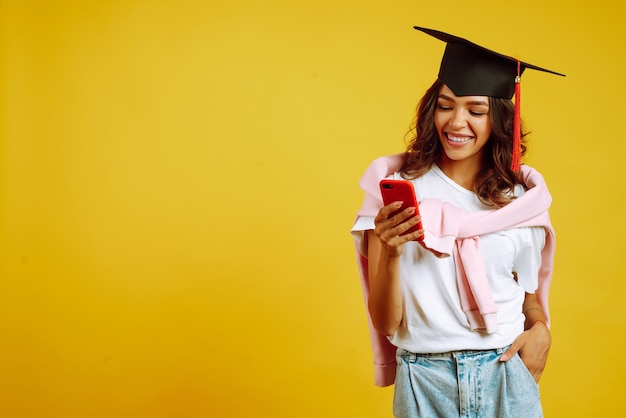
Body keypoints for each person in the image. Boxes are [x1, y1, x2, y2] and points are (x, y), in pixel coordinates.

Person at [351, 26, 564, 417]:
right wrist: (393, 252)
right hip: (424, 380)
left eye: (476, 110)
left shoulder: (520, 201)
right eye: (446, 105)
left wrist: (540, 330)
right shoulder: (398, 191)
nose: (456, 122)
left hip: (504, 374)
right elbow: (386, 323)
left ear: (498, 119)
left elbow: (527, 293)